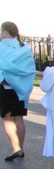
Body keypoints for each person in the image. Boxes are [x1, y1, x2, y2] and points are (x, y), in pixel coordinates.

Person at [0, 21, 36, 161]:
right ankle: (20, 147)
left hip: (6, 87)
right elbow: (29, 69)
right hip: (21, 88)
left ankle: (16, 148)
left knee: (7, 119)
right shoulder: (25, 48)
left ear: (5, 31)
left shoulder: (1, 47)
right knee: (19, 118)